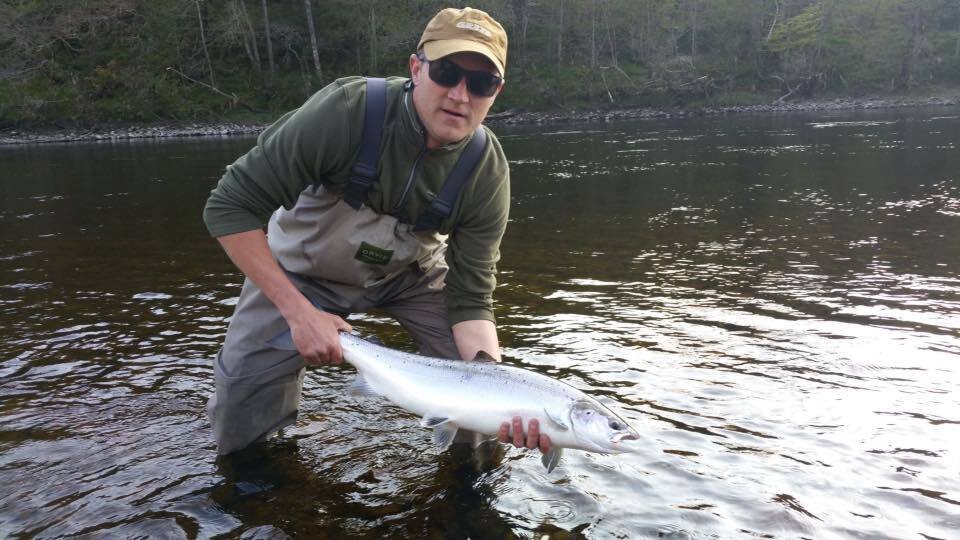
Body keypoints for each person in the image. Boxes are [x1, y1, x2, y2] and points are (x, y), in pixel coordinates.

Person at [203, 7, 550, 458]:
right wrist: (299, 312)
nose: (460, 95)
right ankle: (259, 485)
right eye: (447, 72)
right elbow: (230, 206)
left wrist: (501, 393)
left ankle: (469, 493)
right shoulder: (346, 112)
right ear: (416, 68)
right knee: (240, 415)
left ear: (496, 92)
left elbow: (472, 298)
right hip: (302, 272)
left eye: (480, 83)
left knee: (479, 405)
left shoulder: (486, 169)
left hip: (408, 276)